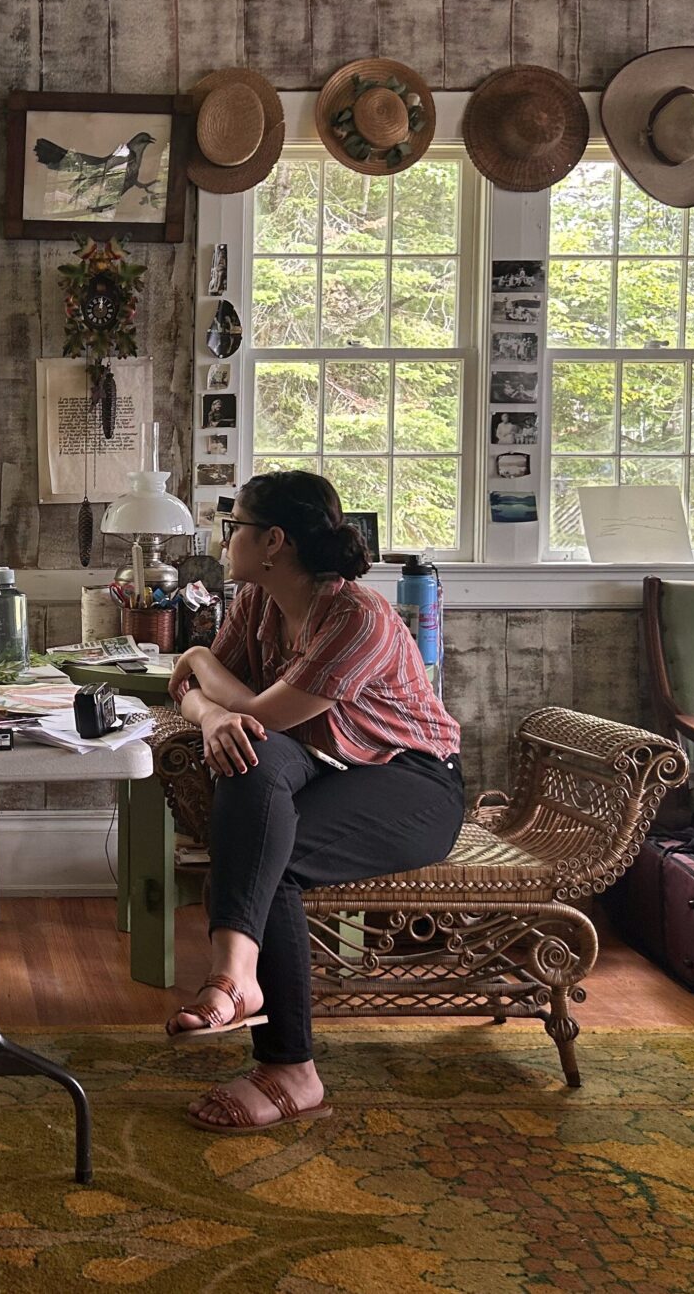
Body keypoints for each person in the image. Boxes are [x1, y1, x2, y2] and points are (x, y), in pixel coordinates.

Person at [164, 471, 464, 1134]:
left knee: (267, 856)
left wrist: (201, 672)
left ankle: (287, 1064)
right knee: (249, 752)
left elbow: (241, 698)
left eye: (233, 525)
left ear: (273, 541)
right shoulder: (257, 600)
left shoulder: (358, 617)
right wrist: (210, 715)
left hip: (415, 782)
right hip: (329, 766)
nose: (223, 538)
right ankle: (240, 977)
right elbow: (194, 694)